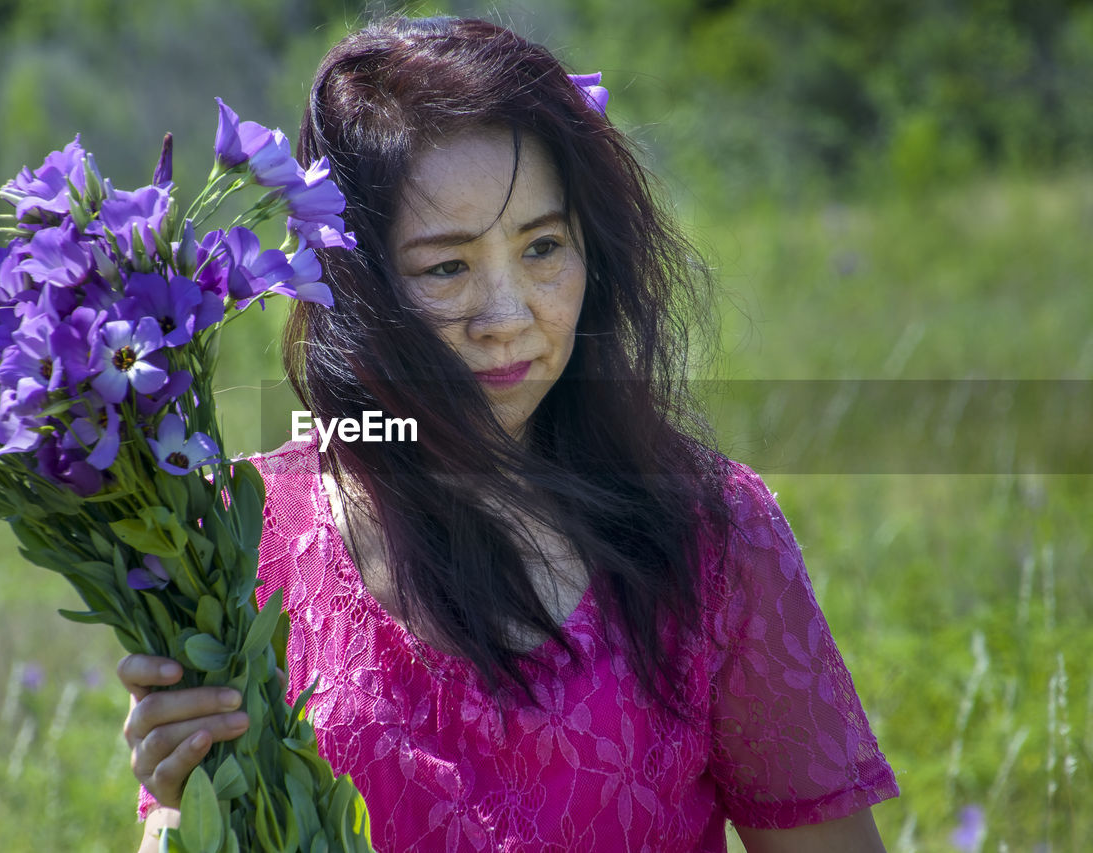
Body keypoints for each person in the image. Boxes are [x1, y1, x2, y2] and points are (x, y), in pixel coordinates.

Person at [120, 15, 900, 852]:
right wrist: (186, 794)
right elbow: (186, 830)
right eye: (448, 267)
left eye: (543, 247)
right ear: (351, 280)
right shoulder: (240, 535)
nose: (508, 316)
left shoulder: (716, 534)